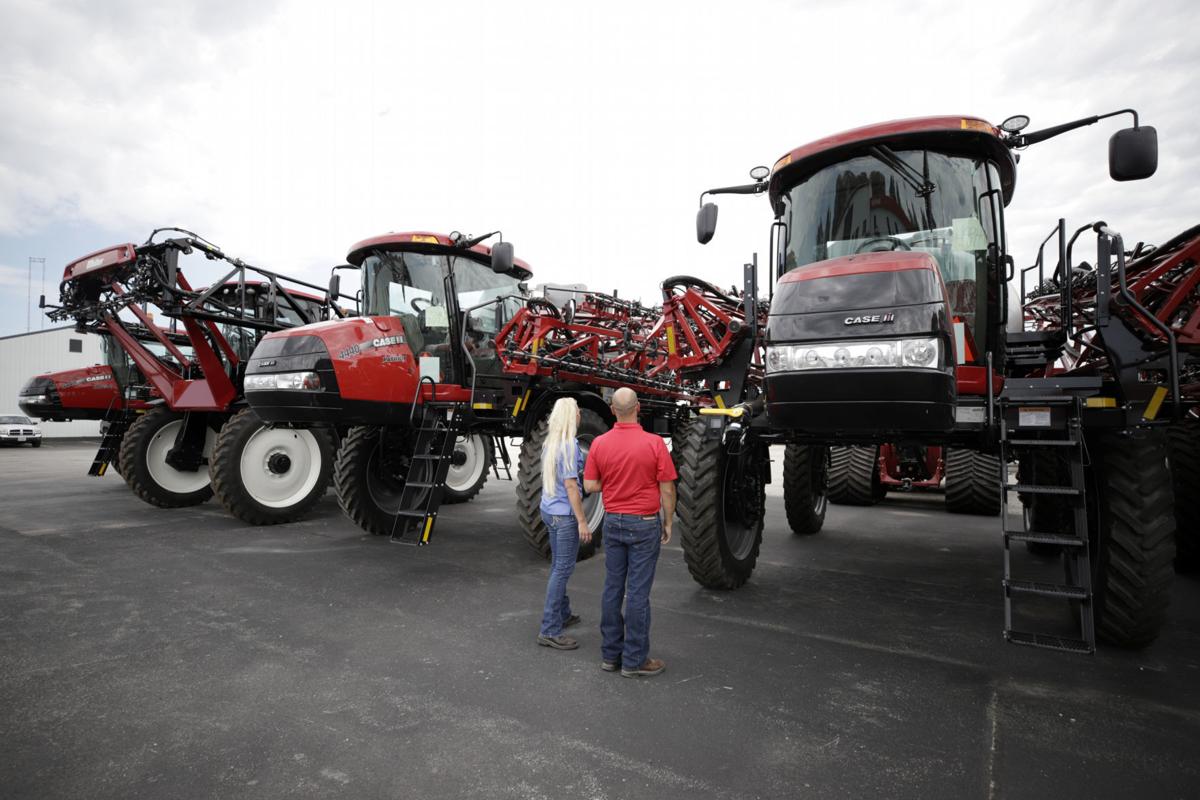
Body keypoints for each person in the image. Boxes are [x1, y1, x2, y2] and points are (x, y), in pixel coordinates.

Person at [583, 387, 676, 678]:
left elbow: (589, 486)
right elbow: (667, 487)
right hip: (645, 522)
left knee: (612, 588)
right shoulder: (655, 443)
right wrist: (668, 521)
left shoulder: (599, 443)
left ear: (612, 410)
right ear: (638, 408)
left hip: (613, 522)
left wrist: (612, 484)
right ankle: (635, 660)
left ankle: (611, 656)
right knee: (637, 593)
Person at [536, 397, 593, 651]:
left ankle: (563, 612)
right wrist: (582, 520)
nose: (580, 415)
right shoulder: (569, 445)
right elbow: (571, 486)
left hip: (548, 511)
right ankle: (549, 630)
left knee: (558, 566)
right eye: (578, 411)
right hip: (564, 516)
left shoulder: (550, 444)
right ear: (572, 416)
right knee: (562, 570)